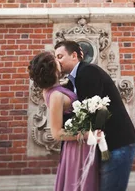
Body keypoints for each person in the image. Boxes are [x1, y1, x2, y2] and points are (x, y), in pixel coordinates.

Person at [55, 40, 135, 191]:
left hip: (116, 144)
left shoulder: (88, 72)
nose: (57, 61)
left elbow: (91, 113)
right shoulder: (70, 83)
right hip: (101, 147)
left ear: (74, 55)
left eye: (60, 56)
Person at [28, 51, 99, 191]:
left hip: (81, 143)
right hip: (77, 148)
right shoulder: (55, 95)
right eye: (56, 58)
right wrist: (87, 134)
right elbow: (56, 133)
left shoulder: (55, 88)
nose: (59, 60)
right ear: (52, 68)